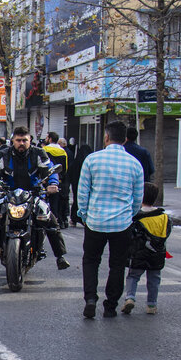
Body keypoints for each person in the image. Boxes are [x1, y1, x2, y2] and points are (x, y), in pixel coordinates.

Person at [76, 120, 145, 318]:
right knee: (117, 264)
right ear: (125, 139)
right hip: (122, 224)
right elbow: (137, 198)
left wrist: (85, 215)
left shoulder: (92, 160)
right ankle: (111, 305)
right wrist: (129, 215)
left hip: (95, 221)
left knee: (90, 261)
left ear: (106, 137)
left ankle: (90, 298)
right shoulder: (134, 164)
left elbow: (83, 192)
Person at [0, 126, 70, 269]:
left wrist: (53, 183)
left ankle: (60, 256)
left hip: (33, 194)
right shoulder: (3, 154)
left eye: (25, 140)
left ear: (30, 140)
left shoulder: (39, 153)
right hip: (9, 194)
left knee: (50, 220)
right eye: (18, 140)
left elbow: (50, 169)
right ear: (13, 141)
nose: (22, 143)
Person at [122, 182, 172, 315]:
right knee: (154, 279)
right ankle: (151, 304)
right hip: (157, 253)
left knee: (133, 276)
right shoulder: (164, 217)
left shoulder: (136, 217)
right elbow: (167, 232)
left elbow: (131, 235)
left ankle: (130, 297)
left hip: (139, 253)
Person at [42, 132, 68, 227]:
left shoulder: (44, 150)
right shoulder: (63, 151)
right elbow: (65, 168)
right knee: (59, 201)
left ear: (50, 139)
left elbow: (42, 165)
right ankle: (57, 220)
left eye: (47, 137)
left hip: (46, 180)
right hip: (59, 179)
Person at [67, 142, 90, 226]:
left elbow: (71, 173)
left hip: (76, 184)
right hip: (86, 185)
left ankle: (74, 218)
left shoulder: (76, 162)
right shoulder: (88, 162)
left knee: (76, 200)